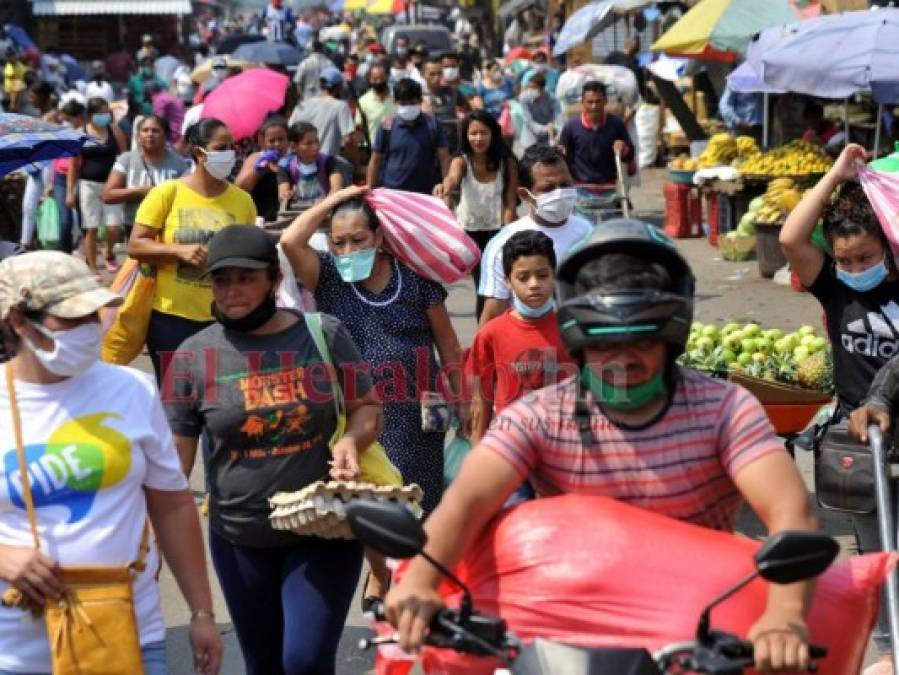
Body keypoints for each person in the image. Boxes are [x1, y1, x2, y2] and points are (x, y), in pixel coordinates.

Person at [385, 220, 820, 675]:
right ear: (576, 336)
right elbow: (465, 504)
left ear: (675, 334)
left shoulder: (725, 409)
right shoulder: (538, 415)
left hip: (699, 636)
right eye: (603, 341)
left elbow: (792, 512)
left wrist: (785, 615)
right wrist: (420, 579)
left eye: (643, 340)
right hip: (564, 639)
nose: (623, 359)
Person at [164, 225, 381, 675]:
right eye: (222, 280)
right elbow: (173, 467)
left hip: (324, 528)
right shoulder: (191, 356)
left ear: (273, 280)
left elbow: (368, 408)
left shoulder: (323, 334)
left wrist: (350, 440)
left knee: (303, 661)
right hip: (239, 537)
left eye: (245, 278)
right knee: (263, 664)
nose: (232, 291)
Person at [0, 251, 222, 675]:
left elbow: (173, 506)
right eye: (72, 319)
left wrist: (201, 613)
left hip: (129, 635)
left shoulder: (133, 389)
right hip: (14, 651)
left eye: (93, 315)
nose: (91, 328)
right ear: (18, 322)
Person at [781, 144, 899, 675]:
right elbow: (790, 238)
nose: (854, 269)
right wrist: (834, 175)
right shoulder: (834, 289)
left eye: (865, 259)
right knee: (875, 558)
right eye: (846, 260)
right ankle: (887, 652)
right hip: (857, 447)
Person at [281, 185, 464, 517]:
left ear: (379, 237)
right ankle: (381, 570)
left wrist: (463, 401)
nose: (349, 250)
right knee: (371, 504)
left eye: (358, 239)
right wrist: (335, 199)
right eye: (339, 242)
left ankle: (411, 568)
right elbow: (290, 241)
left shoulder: (415, 279)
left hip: (417, 413)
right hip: (357, 414)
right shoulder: (327, 276)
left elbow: (448, 343)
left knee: (420, 503)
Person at [128, 118, 257, 382]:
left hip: (225, 315)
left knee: (219, 395)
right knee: (177, 398)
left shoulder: (242, 201)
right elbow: (136, 244)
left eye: (231, 147)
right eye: (221, 147)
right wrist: (178, 251)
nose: (229, 155)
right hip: (171, 316)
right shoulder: (167, 193)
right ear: (199, 153)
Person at [466, 229, 574, 442]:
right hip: (512, 447)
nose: (534, 284)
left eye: (542, 275)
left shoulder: (572, 327)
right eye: (523, 277)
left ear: (554, 274)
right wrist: (478, 454)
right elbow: (482, 400)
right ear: (507, 281)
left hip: (566, 448)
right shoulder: (491, 333)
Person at [477, 144, 592, 327]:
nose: (559, 193)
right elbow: (492, 316)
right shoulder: (503, 243)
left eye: (565, 185)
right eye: (548, 188)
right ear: (525, 194)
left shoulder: (589, 234)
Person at [434, 110, 518, 317]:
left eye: (483, 133)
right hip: (470, 233)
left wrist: (507, 233)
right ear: (466, 136)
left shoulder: (507, 162)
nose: (478, 138)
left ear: (493, 135)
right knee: (484, 284)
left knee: (499, 285)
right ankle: (485, 333)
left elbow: (510, 201)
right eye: (473, 133)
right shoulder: (461, 160)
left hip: (498, 231)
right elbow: (452, 179)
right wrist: (444, 187)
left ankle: (492, 330)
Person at [104, 114, 189, 238]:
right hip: (134, 227)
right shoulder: (126, 160)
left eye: (155, 131)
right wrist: (139, 192)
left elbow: (188, 195)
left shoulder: (179, 163)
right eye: (145, 130)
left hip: (167, 228)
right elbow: (108, 195)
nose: (149, 134)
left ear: (165, 135)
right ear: (138, 135)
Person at [73, 97, 128, 275]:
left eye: (107, 113)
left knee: (114, 227)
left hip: (112, 185)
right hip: (88, 184)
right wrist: (69, 191)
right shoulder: (81, 133)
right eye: (101, 113)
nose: (105, 116)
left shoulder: (114, 130)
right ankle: (93, 266)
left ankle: (109, 252)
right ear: (91, 115)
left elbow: (125, 156)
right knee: (91, 227)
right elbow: (73, 165)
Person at [368, 78, 449, 194]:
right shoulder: (386, 126)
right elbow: (375, 160)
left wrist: (446, 187)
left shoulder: (433, 125)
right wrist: (370, 190)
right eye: (403, 103)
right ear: (395, 102)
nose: (408, 107)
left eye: (412, 103)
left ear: (420, 101)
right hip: (392, 193)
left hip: (426, 193)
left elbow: (444, 158)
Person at [559, 80, 634, 184]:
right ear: (583, 102)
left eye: (598, 101)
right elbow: (563, 154)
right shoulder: (571, 126)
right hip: (580, 187)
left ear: (605, 101)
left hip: (609, 186)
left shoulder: (616, 124)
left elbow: (630, 155)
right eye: (590, 102)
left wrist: (623, 149)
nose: (594, 106)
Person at [288, 66, 356, 161]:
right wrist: (355, 163)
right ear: (339, 86)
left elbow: (290, 132)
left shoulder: (302, 105)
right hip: (326, 165)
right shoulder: (341, 106)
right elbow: (348, 140)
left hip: (300, 163)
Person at [235, 116, 290, 223]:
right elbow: (240, 188)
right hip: (260, 220)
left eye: (281, 139)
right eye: (272, 141)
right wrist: (259, 169)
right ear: (263, 141)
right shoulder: (256, 158)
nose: (277, 144)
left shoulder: (293, 160)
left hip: (286, 218)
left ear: (288, 140)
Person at [277, 121, 344, 206]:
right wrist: (288, 195)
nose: (315, 147)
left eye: (316, 141)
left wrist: (326, 202)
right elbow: (283, 194)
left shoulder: (329, 161)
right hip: (298, 212)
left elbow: (337, 188)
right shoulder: (285, 165)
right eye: (308, 144)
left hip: (326, 208)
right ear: (293, 146)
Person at [53, 99, 86, 255]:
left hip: (79, 178)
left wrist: (71, 190)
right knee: (65, 220)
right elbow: (57, 160)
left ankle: (84, 250)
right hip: (60, 178)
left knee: (83, 220)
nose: (66, 123)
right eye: (64, 120)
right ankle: (64, 255)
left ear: (78, 117)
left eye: (68, 119)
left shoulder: (85, 134)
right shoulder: (61, 133)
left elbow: (75, 164)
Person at [518, 72, 563, 151]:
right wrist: (545, 129)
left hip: (550, 136)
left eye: (533, 87)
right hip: (530, 137)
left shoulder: (553, 99)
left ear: (542, 88)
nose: (530, 90)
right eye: (529, 87)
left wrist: (555, 129)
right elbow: (528, 121)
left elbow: (559, 119)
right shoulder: (523, 98)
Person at [355, 64, 395, 152]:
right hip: (374, 150)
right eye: (375, 79)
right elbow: (359, 128)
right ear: (369, 80)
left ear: (387, 77)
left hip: (396, 148)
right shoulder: (363, 101)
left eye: (381, 78)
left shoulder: (397, 98)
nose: (378, 82)